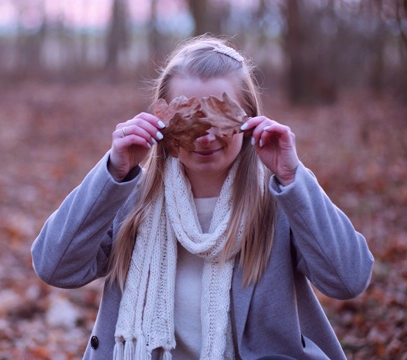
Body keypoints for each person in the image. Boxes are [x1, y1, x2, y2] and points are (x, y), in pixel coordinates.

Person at [31, 35, 374, 360]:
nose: (205, 136)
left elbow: (348, 279)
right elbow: (55, 266)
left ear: (250, 119)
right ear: (161, 120)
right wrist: (112, 173)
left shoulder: (281, 202)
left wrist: (294, 178)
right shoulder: (131, 201)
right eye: (188, 118)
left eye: (220, 117)